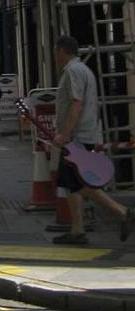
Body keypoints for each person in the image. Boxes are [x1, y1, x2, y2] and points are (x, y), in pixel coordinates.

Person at [51, 34, 135, 246]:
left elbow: (77, 104)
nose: (54, 56)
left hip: (77, 136)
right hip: (82, 133)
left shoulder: (73, 71)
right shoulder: (83, 70)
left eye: (55, 51)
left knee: (79, 182)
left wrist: (65, 134)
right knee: (71, 182)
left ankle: (122, 212)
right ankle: (77, 230)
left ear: (62, 51)